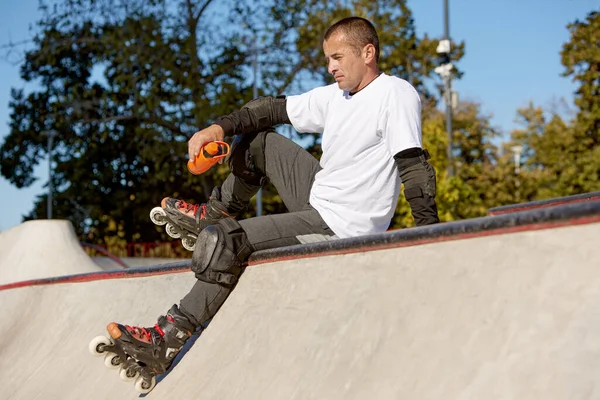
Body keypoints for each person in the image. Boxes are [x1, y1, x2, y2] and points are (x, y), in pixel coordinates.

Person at [108, 16, 439, 377]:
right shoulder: (336, 98)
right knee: (257, 140)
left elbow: (413, 166)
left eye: (338, 58)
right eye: (327, 59)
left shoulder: (395, 94)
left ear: (368, 52)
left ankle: (167, 338)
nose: (331, 67)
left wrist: (429, 237)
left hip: (344, 225)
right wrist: (216, 128)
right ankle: (215, 213)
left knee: (227, 241)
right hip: (317, 196)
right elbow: (269, 109)